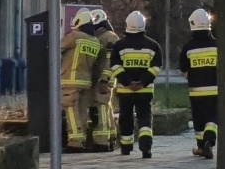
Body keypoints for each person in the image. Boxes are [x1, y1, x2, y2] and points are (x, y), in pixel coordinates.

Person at [111, 10, 163, 158]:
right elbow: (156, 67)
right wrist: (143, 82)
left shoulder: (119, 45)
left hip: (125, 91)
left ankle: (126, 147)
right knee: (145, 116)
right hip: (145, 90)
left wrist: (128, 82)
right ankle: (146, 146)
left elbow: (115, 65)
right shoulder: (153, 46)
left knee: (125, 117)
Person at [59, 10, 102, 151]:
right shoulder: (95, 41)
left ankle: (75, 142)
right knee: (83, 111)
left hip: (70, 80)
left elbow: (56, 48)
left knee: (70, 109)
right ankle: (82, 138)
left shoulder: (75, 37)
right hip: (86, 81)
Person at [180, 9, 219, 159]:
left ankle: (201, 146)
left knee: (198, 118)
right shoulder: (217, 45)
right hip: (214, 89)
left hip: (196, 90)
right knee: (212, 116)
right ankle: (210, 139)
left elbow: (183, 69)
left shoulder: (188, 47)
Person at [89, 9, 120, 151]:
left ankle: (102, 140)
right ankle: (112, 136)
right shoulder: (105, 36)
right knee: (106, 107)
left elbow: (109, 61)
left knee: (101, 106)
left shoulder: (108, 37)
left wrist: (104, 80)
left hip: (104, 78)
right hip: (104, 78)